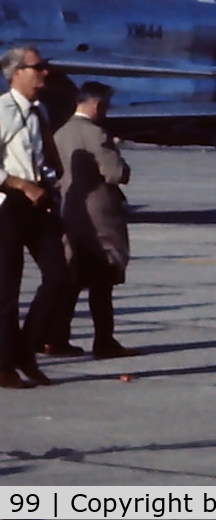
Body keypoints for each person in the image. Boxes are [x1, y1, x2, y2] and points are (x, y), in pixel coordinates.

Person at [48, 82, 135, 360]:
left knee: (73, 277)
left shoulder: (61, 132)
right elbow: (115, 173)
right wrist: (118, 153)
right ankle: (104, 340)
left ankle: (57, 336)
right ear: (97, 104)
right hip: (99, 214)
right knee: (103, 277)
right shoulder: (96, 134)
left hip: (69, 209)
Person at [0, 46, 71, 387]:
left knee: (58, 276)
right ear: (17, 72)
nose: (44, 73)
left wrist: (48, 180)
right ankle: (3, 363)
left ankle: (26, 350)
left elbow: (45, 155)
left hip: (39, 199)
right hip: (8, 203)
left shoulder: (39, 111)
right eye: (37, 67)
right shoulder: (2, 110)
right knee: (7, 287)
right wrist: (21, 185)